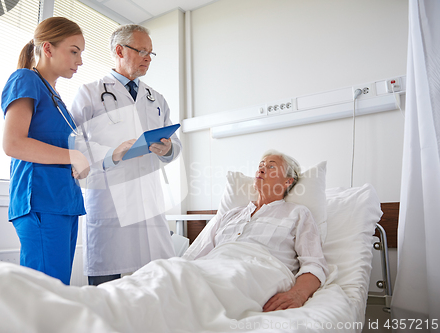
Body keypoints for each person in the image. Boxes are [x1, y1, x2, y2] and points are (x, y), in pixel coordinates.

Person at [70, 24, 182, 286]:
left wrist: (168, 149)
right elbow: (72, 143)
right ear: (119, 50)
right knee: (106, 287)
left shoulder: (157, 99)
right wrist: (111, 154)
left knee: (157, 284)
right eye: (142, 50)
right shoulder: (90, 93)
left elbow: (175, 144)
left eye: (150, 53)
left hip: (149, 201)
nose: (147, 58)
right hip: (109, 201)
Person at [1, 17, 89, 285]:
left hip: (64, 203)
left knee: (58, 289)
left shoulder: (57, 98)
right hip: (40, 201)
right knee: (43, 294)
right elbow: (13, 143)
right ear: (48, 49)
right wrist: (73, 157)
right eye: (74, 51)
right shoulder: (25, 79)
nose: (80, 61)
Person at [183, 150, 329, 311]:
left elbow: (314, 264)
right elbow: (194, 256)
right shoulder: (231, 215)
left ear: (288, 181)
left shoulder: (298, 213)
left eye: (271, 167)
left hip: (256, 272)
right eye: (260, 166)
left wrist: (297, 294)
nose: (261, 169)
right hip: (212, 267)